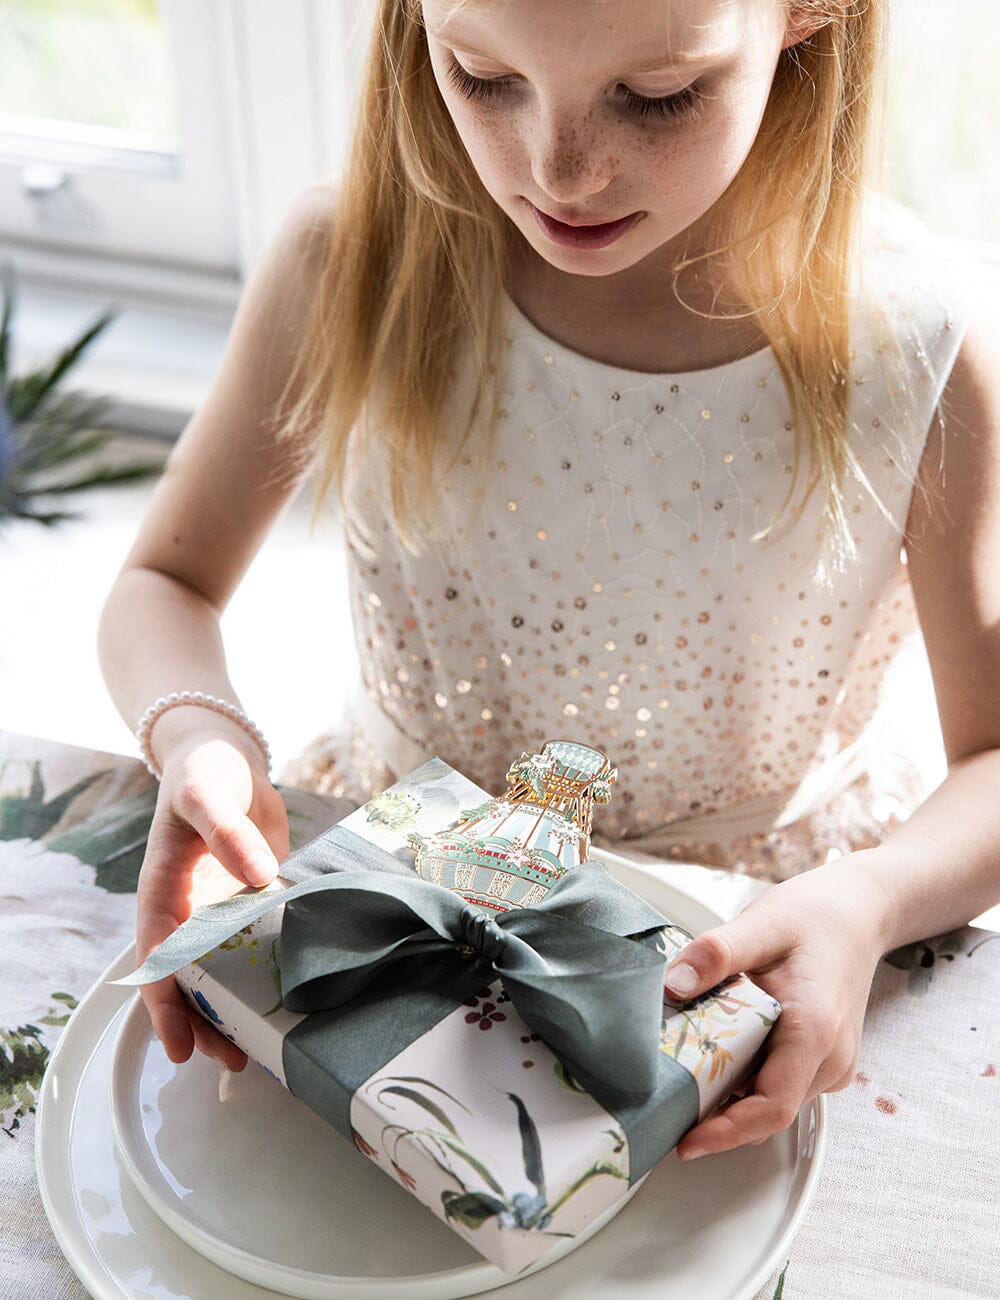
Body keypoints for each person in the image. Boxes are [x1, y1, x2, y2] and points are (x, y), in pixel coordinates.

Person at [98, 0, 1000, 1165]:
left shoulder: (924, 340)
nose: (558, 169)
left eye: (658, 93)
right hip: (402, 893)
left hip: (741, 941)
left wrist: (867, 901)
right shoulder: (349, 260)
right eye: (482, 75)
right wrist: (198, 737)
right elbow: (164, 580)